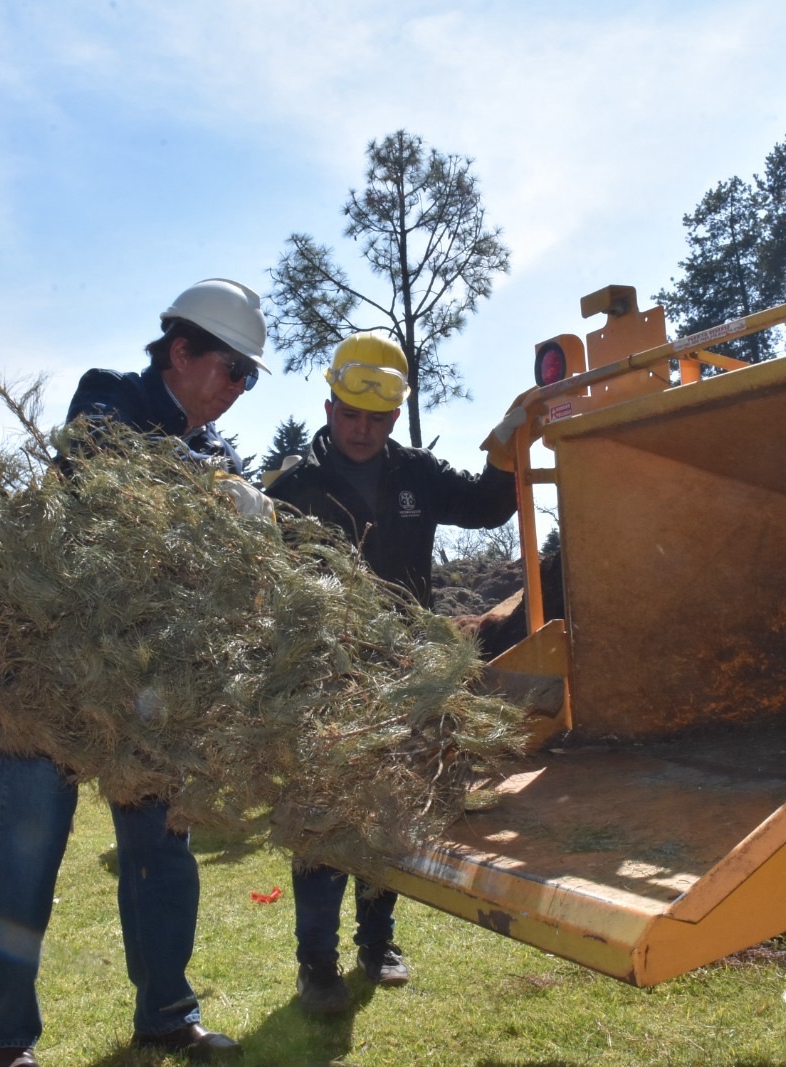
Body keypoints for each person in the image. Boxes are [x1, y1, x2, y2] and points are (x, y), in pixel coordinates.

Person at [0, 278, 273, 1067]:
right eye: (233, 371)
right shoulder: (106, 399)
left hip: (148, 688)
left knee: (161, 856)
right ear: (181, 351)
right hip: (46, 676)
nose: (239, 392)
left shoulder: (217, 452)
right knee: (23, 862)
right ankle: (7, 1040)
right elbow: (101, 468)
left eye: (250, 378)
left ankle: (167, 1013)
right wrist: (214, 493)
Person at [264, 330, 519, 1015]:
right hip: (323, 678)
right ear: (328, 407)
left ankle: (378, 941)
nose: (363, 429)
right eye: (351, 414)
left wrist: (506, 451)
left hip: (406, 672)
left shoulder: (416, 473)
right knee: (322, 817)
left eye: (378, 418)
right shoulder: (295, 488)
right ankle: (316, 962)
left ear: (395, 417)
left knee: (388, 811)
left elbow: (490, 507)